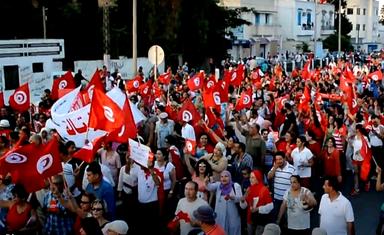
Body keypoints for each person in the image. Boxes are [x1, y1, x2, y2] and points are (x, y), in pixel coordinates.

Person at [206, 170, 242, 235]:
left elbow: (240, 199)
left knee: (233, 231)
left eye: (226, 176)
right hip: (220, 215)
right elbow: (209, 187)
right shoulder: (218, 185)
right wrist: (206, 182)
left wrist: (232, 197)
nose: (223, 178)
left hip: (232, 215)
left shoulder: (235, 186)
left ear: (230, 177)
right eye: (222, 177)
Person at [240, 169, 273, 235]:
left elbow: (270, 206)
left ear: (258, 178)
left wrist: (258, 209)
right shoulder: (249, 189)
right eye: (250, 177)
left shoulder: (264, 190)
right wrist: (242, 201)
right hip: (250, 219)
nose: (250, 179)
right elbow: (244, 207)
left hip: (260, 220)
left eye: (253, 177)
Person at [267, 151, 296, 220]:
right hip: (277, 198)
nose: (278, 161)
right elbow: (269, 177)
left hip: (287, 199)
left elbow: (295, 184)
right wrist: (274, 168)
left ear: (284, 158)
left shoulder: (292, 169)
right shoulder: (275, 167)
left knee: (287, 219)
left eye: (280, 159)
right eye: (276, 160)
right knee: (276, 217)